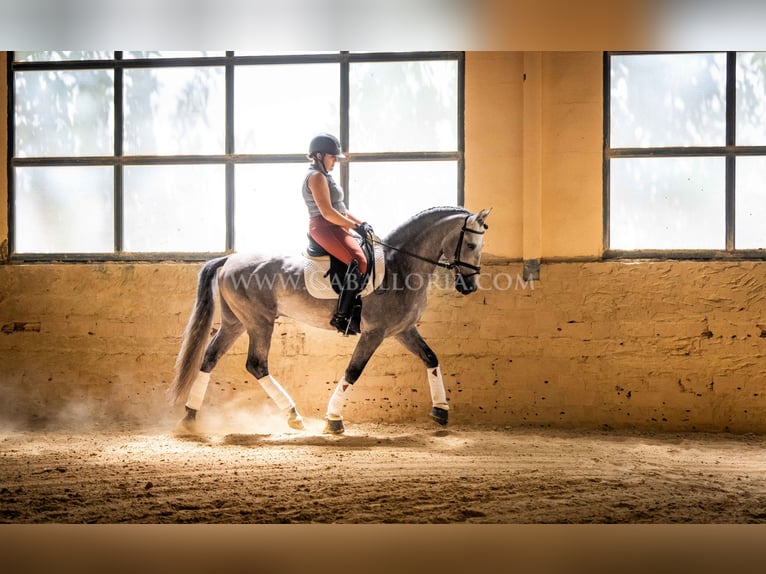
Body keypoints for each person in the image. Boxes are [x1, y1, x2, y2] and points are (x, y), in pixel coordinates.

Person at [302, 133, 375, 335]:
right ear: (319, 155)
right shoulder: (316, 177)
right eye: (332, 156)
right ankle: (341, 317)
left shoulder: (325, 176)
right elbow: (327, 212)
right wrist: (354, 226)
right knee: (358, 260)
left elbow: (340, 209)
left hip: (335, 224)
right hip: (324, 227)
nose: (335, 160)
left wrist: (361, 223)